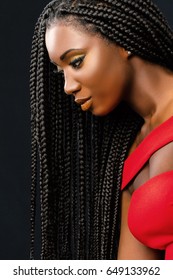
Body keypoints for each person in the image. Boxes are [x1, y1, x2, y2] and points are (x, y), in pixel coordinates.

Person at [29, 0, 173, 260]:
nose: (67, 87)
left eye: (76, 61)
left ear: (122, 42)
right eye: (60, 72)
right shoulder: (131, 159)